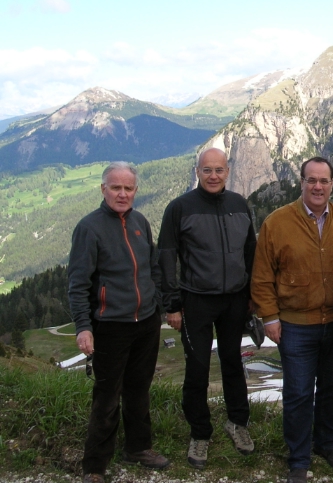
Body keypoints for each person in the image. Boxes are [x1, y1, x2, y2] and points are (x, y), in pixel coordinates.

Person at [251, 156, 333, 483]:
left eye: (323, 181)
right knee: (298, 393)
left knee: (332, 390)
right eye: (311, 180)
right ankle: (298, 458)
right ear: (301, 183)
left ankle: (327, 444)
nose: (317, 186)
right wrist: (270, 317)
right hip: (295, 325)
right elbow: (262, 277)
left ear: (332, 185)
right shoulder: (277, 222)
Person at [68, 162, 170, 483]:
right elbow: (78, 283)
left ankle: (138, 448)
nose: (122, 194)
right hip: (110, 325)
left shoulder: (140, 222)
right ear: (103, 189)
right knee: (107, 395)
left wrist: (157, 304)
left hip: (146, 322)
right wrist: (83, 326)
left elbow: (152, 266)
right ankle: (94, 466)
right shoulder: (89, 228)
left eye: (128, 188)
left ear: (135, 191)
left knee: (139, 389)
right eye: (116, 187)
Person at [158, 148, 257, 469]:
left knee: (233, 362)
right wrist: (172, 305)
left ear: (227, 171)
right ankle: (200, 433)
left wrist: (252, 295)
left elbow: (251, 252)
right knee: (197, 368)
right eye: (207, 170)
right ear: (197, 171)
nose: (213, 176)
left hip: (235, 299)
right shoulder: (179, 208)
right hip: (196, 300)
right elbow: (166, 257)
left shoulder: (239, 204)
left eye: (219, 170)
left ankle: (237, 423)